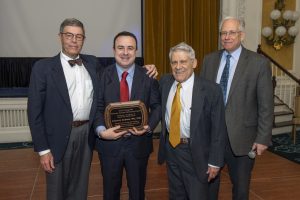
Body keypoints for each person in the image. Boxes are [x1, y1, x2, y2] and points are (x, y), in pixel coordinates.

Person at [27, 18, 157, 200]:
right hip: (57, 137)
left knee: (80, 187)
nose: (74, 40)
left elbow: (123, 69)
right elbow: (34, 112)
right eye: (69, 35)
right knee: (56, 190)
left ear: (83, 40)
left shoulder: (92, 64)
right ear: (60, 37)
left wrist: (147, 68)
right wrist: (43, 150)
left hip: (86, 135)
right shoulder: (43, 68)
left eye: (79, 36)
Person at [200, 16, 274, 200]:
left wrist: (263, 138)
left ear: (241, 35)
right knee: (208, 187)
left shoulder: (258, 63)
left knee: (241, 190)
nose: (226, 37)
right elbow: (201, 98)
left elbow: (266, 104)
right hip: (211, 138)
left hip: (242, 140)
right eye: (223, 33)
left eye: (231, 32)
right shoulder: (209, 60)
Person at [94, 31, 161, 200]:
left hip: (138, 145)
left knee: (138, 193)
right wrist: (102, 131)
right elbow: (97, 107)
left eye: (130, 48)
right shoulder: (101, 76)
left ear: (136, 51)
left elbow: (157, 106)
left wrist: (148, 127)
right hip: (109, 146)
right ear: (113, 50)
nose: (125, 52)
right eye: (121, 47)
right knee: (110, 193)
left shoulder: (148, 76)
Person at [157, 42, 226, 200]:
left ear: (194, 63)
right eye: (174, 62)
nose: (178, 66)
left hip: (197, 153)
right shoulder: (165, 83)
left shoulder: (211, 90)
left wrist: (215, 162)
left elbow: (218, 130)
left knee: (197, 195)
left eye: (183, 61)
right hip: (171, 150)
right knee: (176, 195)